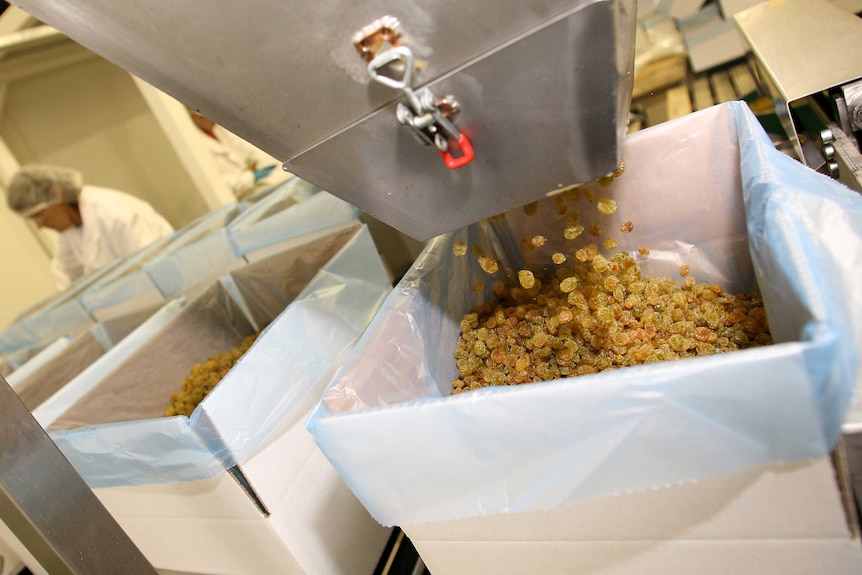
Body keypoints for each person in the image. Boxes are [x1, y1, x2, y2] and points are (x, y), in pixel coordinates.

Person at [5, 164, 174, 291]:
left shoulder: (113, 214)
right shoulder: (71, 230)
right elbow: (67, 277)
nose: (40, 225)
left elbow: (155, 269)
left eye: (38, 215)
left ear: (55, 194)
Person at [189, 111, 293, 199]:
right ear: (195, 118)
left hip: (255, 183)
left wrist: (251, 171)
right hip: (244, 194)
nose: (211, 120)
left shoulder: (219, 130)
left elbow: (251, 152)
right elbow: (224, 184)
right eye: (205, 117)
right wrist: (252, 176)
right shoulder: (198, 146)